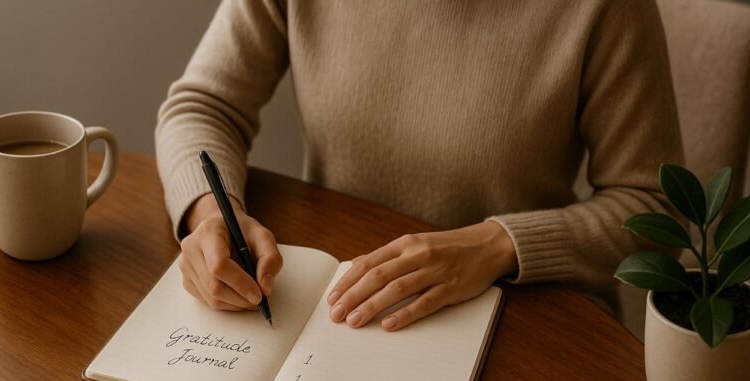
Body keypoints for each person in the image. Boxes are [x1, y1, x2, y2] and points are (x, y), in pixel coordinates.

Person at [155, 0, 683, 331]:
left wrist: (498, 245)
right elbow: (203, 105)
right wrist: (209, 213)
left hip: (524, 321)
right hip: (338, 310)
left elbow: (655, 208)